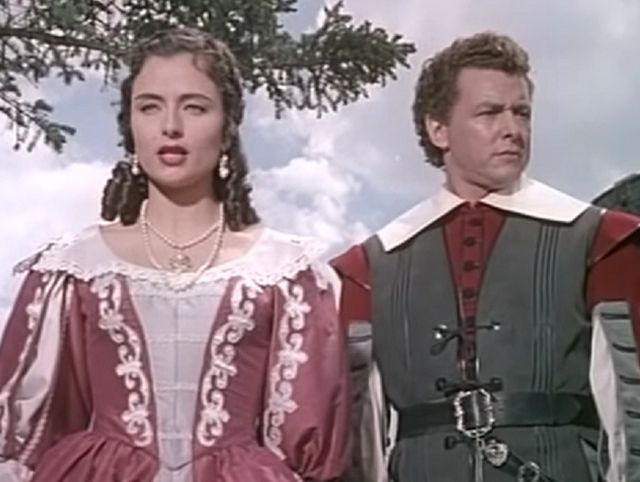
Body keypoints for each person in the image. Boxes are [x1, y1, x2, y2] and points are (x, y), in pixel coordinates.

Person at [0, 27, 349, 482]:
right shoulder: (74, 267)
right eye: (149, 106)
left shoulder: (282, 271)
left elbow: (311, 428)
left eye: (194, 107)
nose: (170, 126)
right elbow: (29, 424)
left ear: (227, 127)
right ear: (130, 125)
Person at [334, 31, 640, 481]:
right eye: (489, 113)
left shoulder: (602, 238)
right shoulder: (369, 266)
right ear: (438, 130)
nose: (512, 129)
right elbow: (358, 438)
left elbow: (631, 414)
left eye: (522, 113)